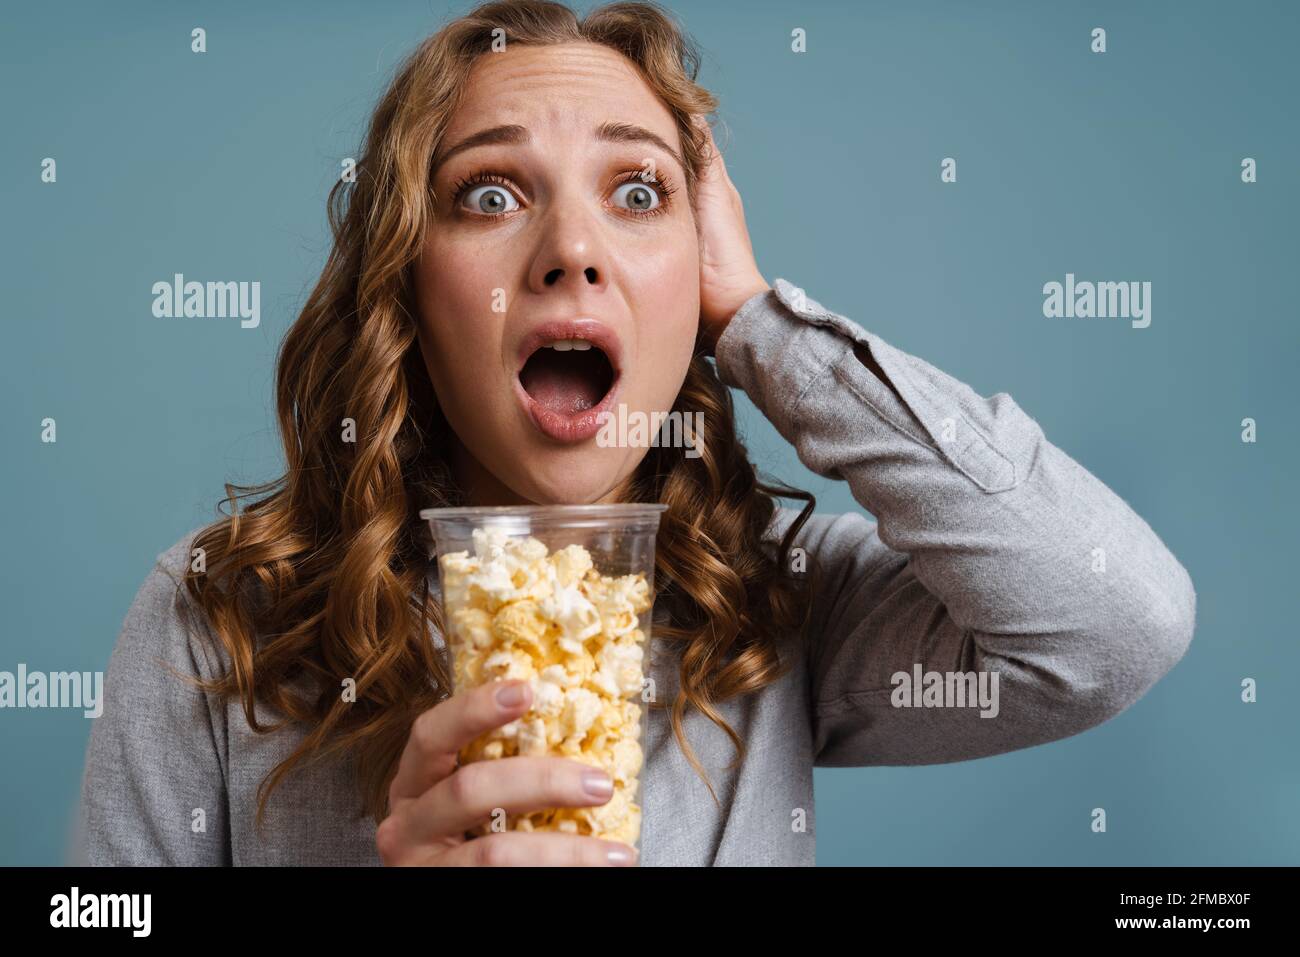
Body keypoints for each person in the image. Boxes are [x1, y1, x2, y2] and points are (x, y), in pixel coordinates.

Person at [77, 0, 1196, 867]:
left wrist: (757, 322)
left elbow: (1113, 623)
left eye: (639, 193)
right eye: (489, 195)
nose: (573, 247)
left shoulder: (780, 606)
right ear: (406, 288)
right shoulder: (220, 614)